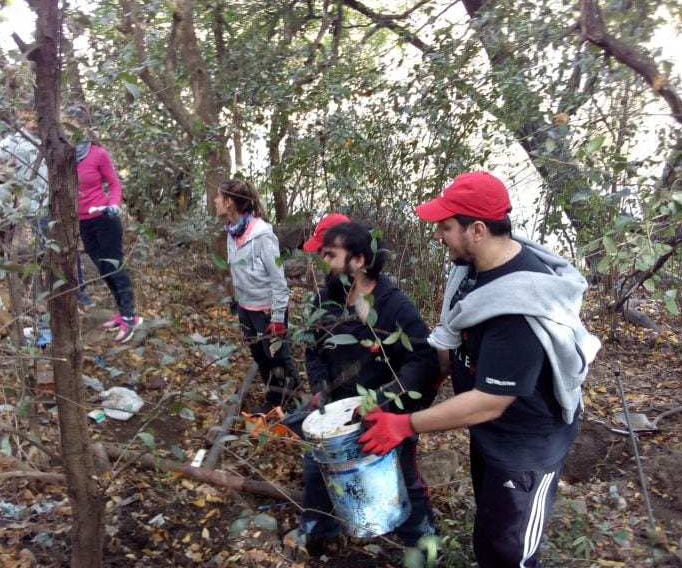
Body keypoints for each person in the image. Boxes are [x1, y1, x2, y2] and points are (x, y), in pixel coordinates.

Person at [358, 172, 602, 568]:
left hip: (526, 447)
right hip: (491, 435)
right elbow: (449, 342)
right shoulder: (471, 270)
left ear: (476, 230)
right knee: (489, 537)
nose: (438, 234)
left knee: (511, 554)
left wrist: (404, 425)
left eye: (445, 226)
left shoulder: (520, 308)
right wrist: (399, 395)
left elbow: (490, 401)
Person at [287, 221, 443, 556]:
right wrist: (319, 387)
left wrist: (383, 400)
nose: (324, 261)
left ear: (358, 260)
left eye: (331, 254)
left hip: (385, 416)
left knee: (404, 480)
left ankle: (423, 546)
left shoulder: (393, 306)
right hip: (334, 415)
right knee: (316, 469)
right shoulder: (323, 302)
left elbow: (423, 361)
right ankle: (315, 529)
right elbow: (313, 351)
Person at [0, 109, 92, 306]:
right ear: (24, 118)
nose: (34, 122)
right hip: (34, 206)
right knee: (49, 249)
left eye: (37, 117)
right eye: (29, 117)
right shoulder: (16, 140)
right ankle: (59, 294)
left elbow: (79, 151)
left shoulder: (54, 138)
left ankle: (78, 291)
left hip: (58, 201)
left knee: (68, 246)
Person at [214, 178, 301, 413]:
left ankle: (297, 407)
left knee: (280, 359)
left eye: (219, 197)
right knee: (261, 358)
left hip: (267, 311)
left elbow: (278, 279)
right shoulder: (232, 231)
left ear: (229, 202)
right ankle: (274, 400)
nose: (215, 201)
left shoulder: (262, 235)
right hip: (246, 309)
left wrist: (277, 316)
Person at [63, 104, 141, 343]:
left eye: (72, 126)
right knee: (102, 269)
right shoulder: (64, 157)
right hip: (84, 222)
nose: (68, 132)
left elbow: (114, 184)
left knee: (115, 267)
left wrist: (114, 204)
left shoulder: (98, 154)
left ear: (83, 127)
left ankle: (130, 318)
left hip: (104, 219)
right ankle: (121, 312)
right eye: (65, 127)